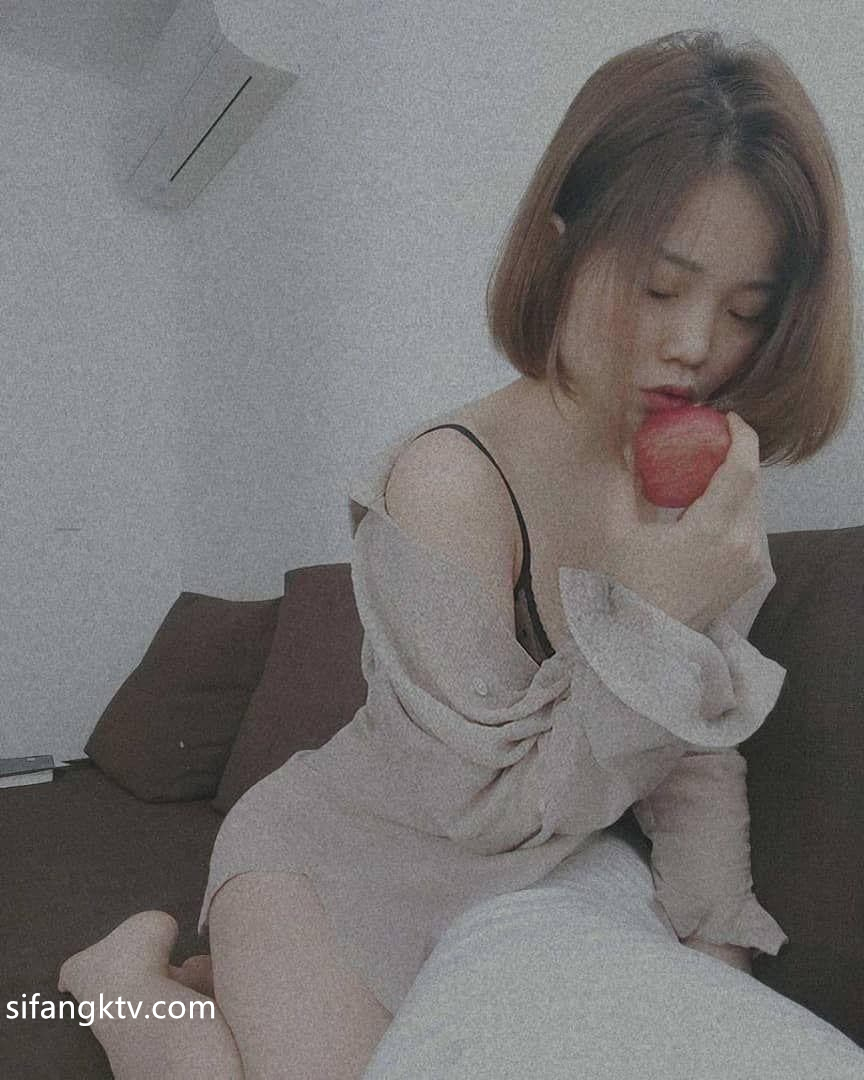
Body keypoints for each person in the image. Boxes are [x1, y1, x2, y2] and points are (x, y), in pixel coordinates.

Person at [57, 26, 858, 1080]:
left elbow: (695, 748)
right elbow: (478, 808)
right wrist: (651, 626)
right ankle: (118, 978)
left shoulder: (698, 482)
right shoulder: (446, 483)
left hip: (546, 875)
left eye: (745, 311)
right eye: (660, 288)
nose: (697, 347)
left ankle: (241, 986)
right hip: (346, 855)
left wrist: (718, 953)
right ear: (562, 245)